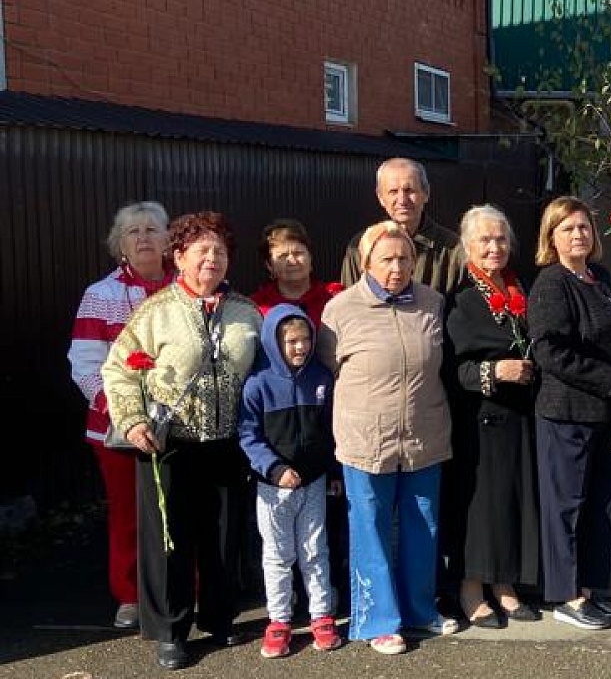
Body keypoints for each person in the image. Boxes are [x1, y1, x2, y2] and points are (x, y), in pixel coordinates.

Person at [101, 211, 262, 671]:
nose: (212, 259)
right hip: (169, 444)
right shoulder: (155, 312)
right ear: (180, 257)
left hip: (228, 442)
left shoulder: (246, 312)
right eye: (202, 251)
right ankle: (170, 630)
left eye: (221, 251)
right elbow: (118, 369)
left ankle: (219, 616)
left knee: (225, 533)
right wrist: (132, 421)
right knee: (171, 539)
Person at [317, 220, 460, 655]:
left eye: (403, 258)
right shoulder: (340, 310)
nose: (396, 267)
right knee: (371, 528)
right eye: (386, 259)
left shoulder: (433, 303)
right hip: (366, 437)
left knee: (422, 524)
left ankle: (419, 609)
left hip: (424, 433)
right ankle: (378, 620)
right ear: (365, 263)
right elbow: (330, 367)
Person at [527, 196, 611, 631]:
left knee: (603, 503)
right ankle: (567, 595)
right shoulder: (552, 284)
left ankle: (592, 586)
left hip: (607, 413)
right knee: (567, 505)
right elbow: (550, 351)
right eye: (567, 229)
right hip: (567, 412)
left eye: (584, 228)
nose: (578, 235)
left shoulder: (599, 278)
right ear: (551, 238)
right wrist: (610, 379)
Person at [68, 200, 175, 631]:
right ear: (120, 246)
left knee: (179, 508)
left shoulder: (185, 289)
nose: (144, 238)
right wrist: (124, 413)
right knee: (129, 513)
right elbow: (84, 363)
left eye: (153, 230)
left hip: (178, 424)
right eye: (134, 232)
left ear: (169, 241)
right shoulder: (102, 295)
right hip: (117, 429)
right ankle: (130, 594)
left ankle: (183, 586)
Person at [441, 204, 542, 629]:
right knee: (479, 508)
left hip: (520, 416)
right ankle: (470, 588)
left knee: (511, 504)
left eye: (500, 238)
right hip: (479, 419)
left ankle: (505, 584)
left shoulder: (522, 290)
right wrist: (495, 371)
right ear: (467, 248)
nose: (494, 247)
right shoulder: (460, 301)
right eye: (484, 240)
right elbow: (451, 369)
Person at [238, 305, 344, 658]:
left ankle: (321, 615)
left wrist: (332, 472)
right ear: (274, 343)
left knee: (316, 551)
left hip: (313, 483)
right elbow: (248, 435)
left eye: (305, 340)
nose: (300, 348)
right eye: (291, 341)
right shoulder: (258, 383)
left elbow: (331, 431)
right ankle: (280, 620)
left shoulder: (321, 378)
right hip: (273, 489)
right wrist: (273, 469)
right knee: (279, 555)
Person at [339, 157, 465, 294]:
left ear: (426, 193)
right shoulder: (360, 246)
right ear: (380, 197)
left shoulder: (453, 249)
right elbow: (350, 303)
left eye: (409, 190)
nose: (402, 200)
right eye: (393, 191)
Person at [250, 218, 342, 328]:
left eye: (298, 253)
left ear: (310, 257)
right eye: (283, 256)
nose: (292, 261)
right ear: (269, 265)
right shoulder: (255, 307)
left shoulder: (336, 297)